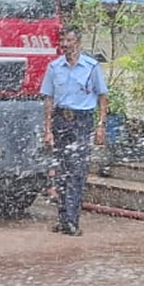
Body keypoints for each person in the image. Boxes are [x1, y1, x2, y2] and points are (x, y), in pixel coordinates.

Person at [41, 26, 109, 236]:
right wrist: (48, 129)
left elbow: (102, 97)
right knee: (61, 170)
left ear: (77, 42)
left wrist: (100, 125)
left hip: (82, 121)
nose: (65, 45)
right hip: (61, 120)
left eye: (69, 41)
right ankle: (63, 219)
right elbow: (49, 99)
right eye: (62, 41)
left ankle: (72, 220)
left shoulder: (91, 67)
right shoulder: (54, 67)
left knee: (77, 170)